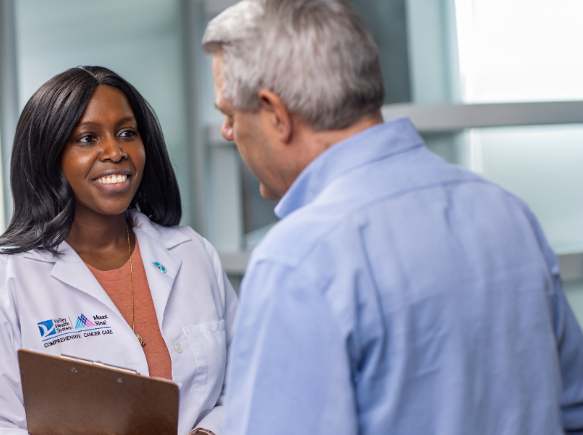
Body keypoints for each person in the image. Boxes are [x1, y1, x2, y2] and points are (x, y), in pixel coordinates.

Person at [202, 1, 583, 434]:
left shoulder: (298, 261)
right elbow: (573, 409)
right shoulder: (506, 212)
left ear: (275, 113)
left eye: (230, 115)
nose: (227, 133)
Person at [0, 66, 236, 435]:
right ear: (50, 155)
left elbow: (247, 383)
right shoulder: (2, 279)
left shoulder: (194, 253)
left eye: (127, 133)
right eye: (87, 138)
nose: (115, 152)